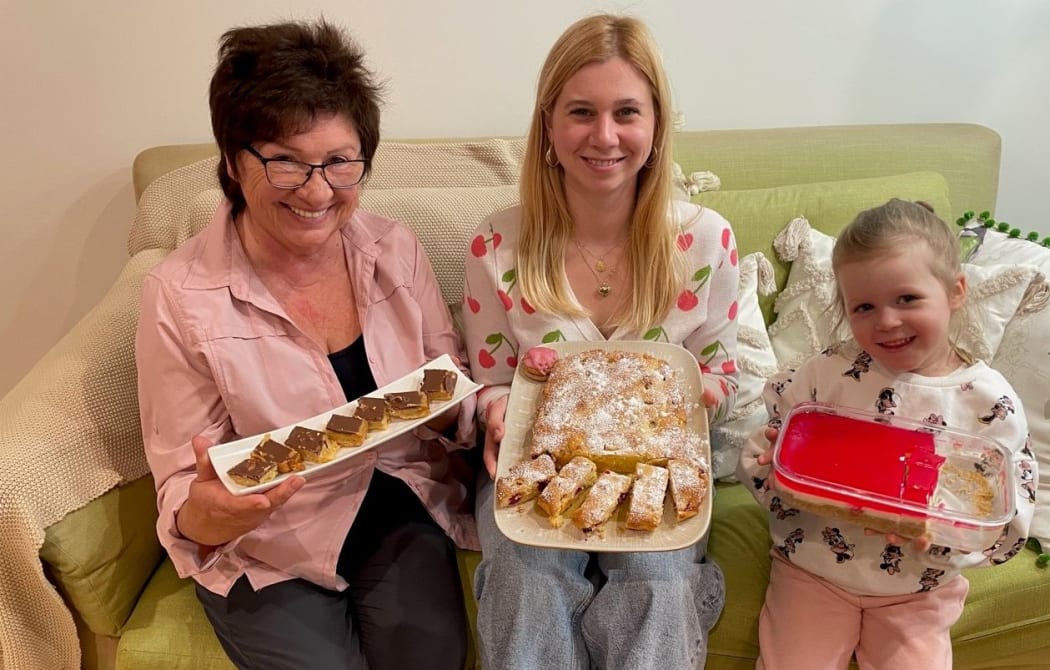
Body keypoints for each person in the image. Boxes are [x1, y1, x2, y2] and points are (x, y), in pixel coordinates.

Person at [135, 20, 477, 670]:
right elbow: (184, 490)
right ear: (235, 162)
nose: (318, 191)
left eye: (341, 162)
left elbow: (446, 383)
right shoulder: (179, 295)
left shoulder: (393, 251)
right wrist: (208, 516)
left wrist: (483, 412)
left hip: (394, 498)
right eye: (286, 160)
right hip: (264, 543)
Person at [461, 14, 740, 670]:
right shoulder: (496, 246)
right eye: (581, 111)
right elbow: (495, 380)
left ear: (657, 125)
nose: (605, 136)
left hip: (659, 470)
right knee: (523, 579)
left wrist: (705, 390)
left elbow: (724, 376)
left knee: (656, 579)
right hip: (539, 461)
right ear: (550, 126)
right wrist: (497, 408)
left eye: (627, 112)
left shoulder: (704, 240)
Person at [737, 199, 1037, 670]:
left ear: (956, 290)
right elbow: (772, 454)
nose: (887, 321)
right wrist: (762, 461)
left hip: (919, 588)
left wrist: (947, 534)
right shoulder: (825, 374)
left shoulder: (985, 402)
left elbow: (1005, 513)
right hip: (812, 568)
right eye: (864, 306)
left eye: (907, 299)